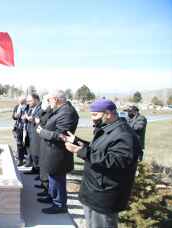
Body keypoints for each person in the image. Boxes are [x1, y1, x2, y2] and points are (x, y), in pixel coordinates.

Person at [64, 99, 140, 228]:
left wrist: (80, 152)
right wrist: (77, 141)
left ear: (108, 114)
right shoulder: (108, 128)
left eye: (95, 115)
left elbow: (116, 161)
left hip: (105, 193)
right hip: (94, 190)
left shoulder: (124, 134)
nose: (92, 119)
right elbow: (98, 149)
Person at [36, 90, 79, 214]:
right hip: (52, 151)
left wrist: (42, 132)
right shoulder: (60, 110)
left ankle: (59, 204)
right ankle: (52, 197)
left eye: (49, 100)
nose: (48, 103)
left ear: (55, 99)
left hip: (59, 153)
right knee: (53, 176)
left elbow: (62, 135)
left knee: (57, 178)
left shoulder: (67, 112)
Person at [23, 94, 42, 176]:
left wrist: (31, 118)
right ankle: (34, 169)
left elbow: (40, 120)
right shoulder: (31, 108)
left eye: (30, 101)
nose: (28, 102)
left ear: (36, 99)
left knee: (37, 153)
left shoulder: (41, 108)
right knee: (32, 152)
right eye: (27, 101)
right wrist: (25, 118)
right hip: (30, 132)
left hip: (37, 134)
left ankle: (40, 173)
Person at [12, 96, 28, 166]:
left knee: (27, 144)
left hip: (26, 127)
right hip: (18, 128)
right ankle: (20, 160)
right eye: (20, 102)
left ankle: (27, 160)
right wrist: (15, 116)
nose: (21, 103)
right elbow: (13, 117)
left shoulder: (28, 107)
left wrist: (26, 118)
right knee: (19, 144)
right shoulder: (16, 107)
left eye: (22, 102)